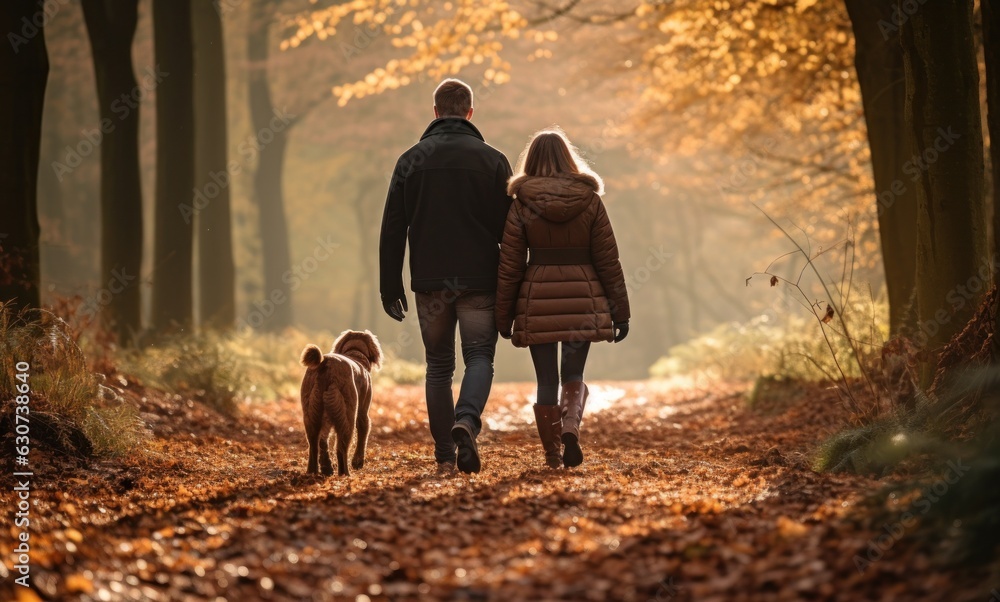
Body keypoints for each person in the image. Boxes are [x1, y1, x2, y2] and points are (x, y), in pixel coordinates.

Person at [379, 79, 513, 474]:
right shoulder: (493, 160)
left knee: (438, 365)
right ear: (470, 112)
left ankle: (443, 455)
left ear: (435, 112)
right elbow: (511, 229)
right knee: (479, 356)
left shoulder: (410, 161)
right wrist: (515, 283)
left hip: (430, 282)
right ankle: (466, 420)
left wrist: (390, 285)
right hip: (479, 279)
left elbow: (393, 227)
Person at [495, 129, 630, 469]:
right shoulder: (590, 199)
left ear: (532, 159)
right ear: (569, 157)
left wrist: (504, 315)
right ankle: (571, 427)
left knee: (545, 379)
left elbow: (510, 263)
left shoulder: (521, 202)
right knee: (573, 373)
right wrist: (620, 311)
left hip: (537, 297)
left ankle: (552, 453)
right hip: (583, 298)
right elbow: (608, 260)